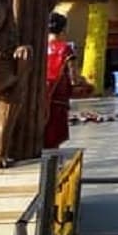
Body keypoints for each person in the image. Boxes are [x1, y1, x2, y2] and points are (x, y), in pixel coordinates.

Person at [43, 12, 76, 149]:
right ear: (63, 29)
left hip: (41, 92)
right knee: (55, 131)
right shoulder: (66, 49)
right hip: (59, 94)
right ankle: (52, 160)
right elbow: (74, 76)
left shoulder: (40, 47)